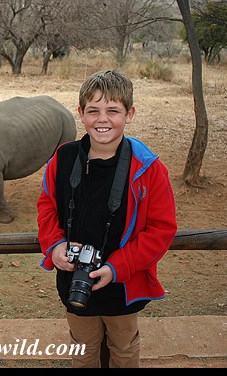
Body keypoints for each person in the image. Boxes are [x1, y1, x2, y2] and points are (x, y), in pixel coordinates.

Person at [36, 69, 177, 367]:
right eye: (93, 111)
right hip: (75, 279)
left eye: (113, 110)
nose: (102, 119)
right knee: (82, 348)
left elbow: (161, 230)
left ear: (129, 114)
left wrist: (117, 267)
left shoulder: (148, 168)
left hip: (124, 283)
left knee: (123, 348)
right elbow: (46, 205)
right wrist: (55, 245)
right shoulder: (63, 158)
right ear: (80, 114)